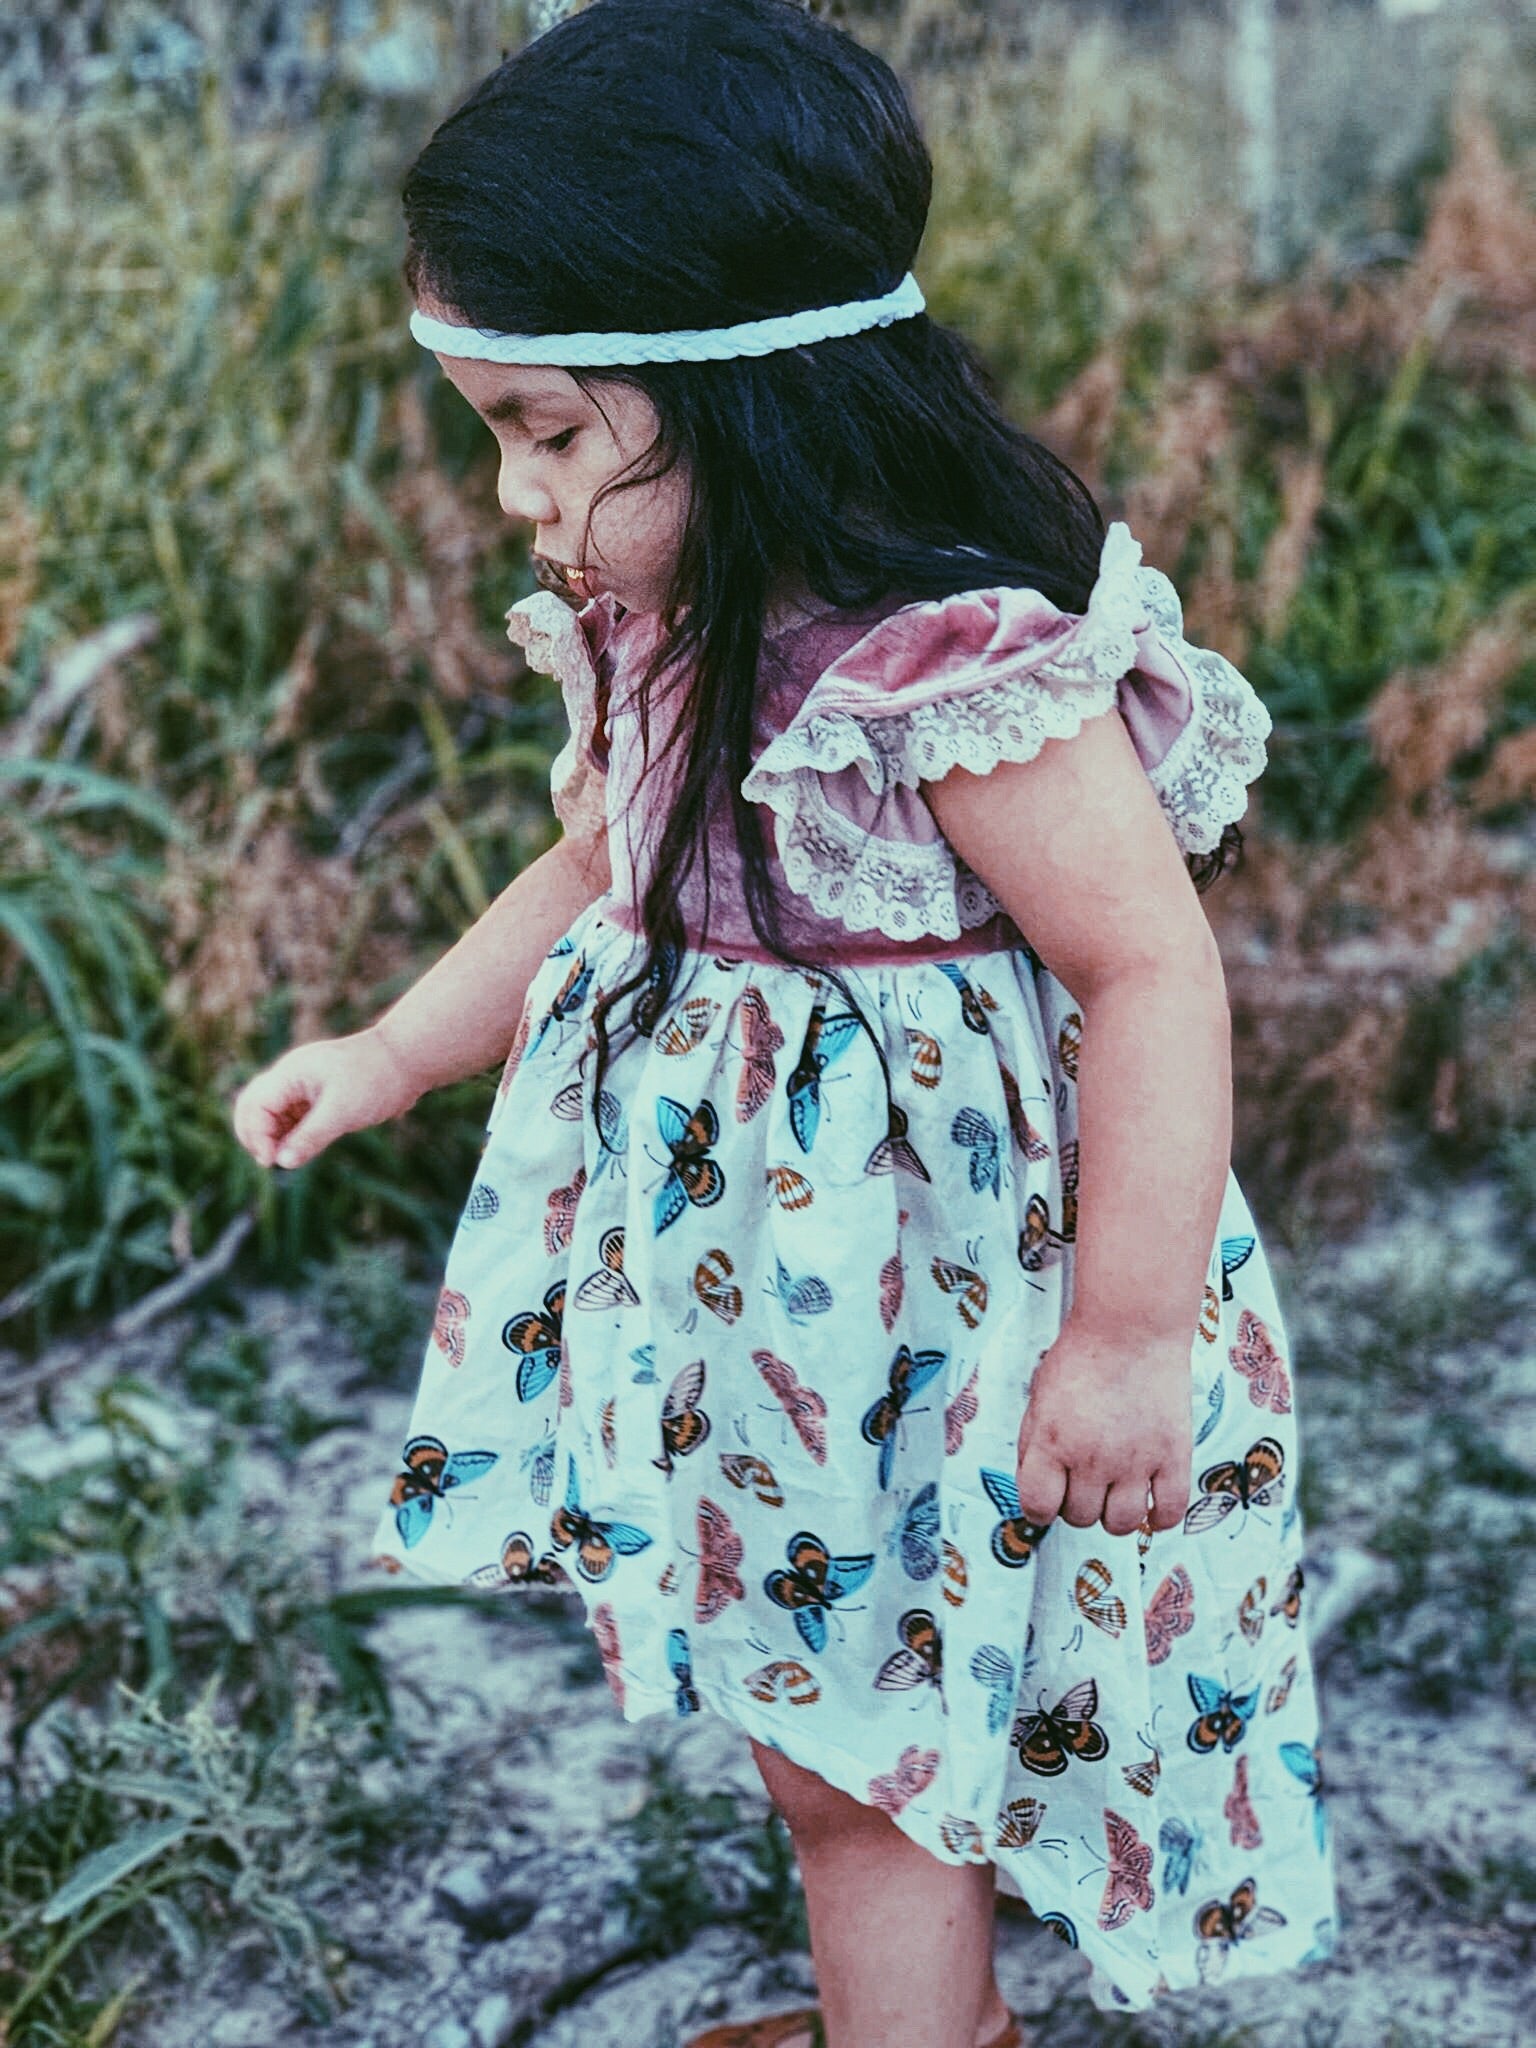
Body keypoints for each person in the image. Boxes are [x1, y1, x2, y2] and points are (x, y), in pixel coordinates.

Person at [230, 3, 1341, 2042]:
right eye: (497, 435)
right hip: (763, 1315)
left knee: (863, 1758)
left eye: (549, 433)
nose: (514, 497)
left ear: (746, 397)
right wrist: (389, 1052)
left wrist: (1123, 1339)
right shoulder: (669, 632)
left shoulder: (942, 672)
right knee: (817, 1716)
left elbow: (1149, 969)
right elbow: (601, 876)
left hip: (951, 1310)